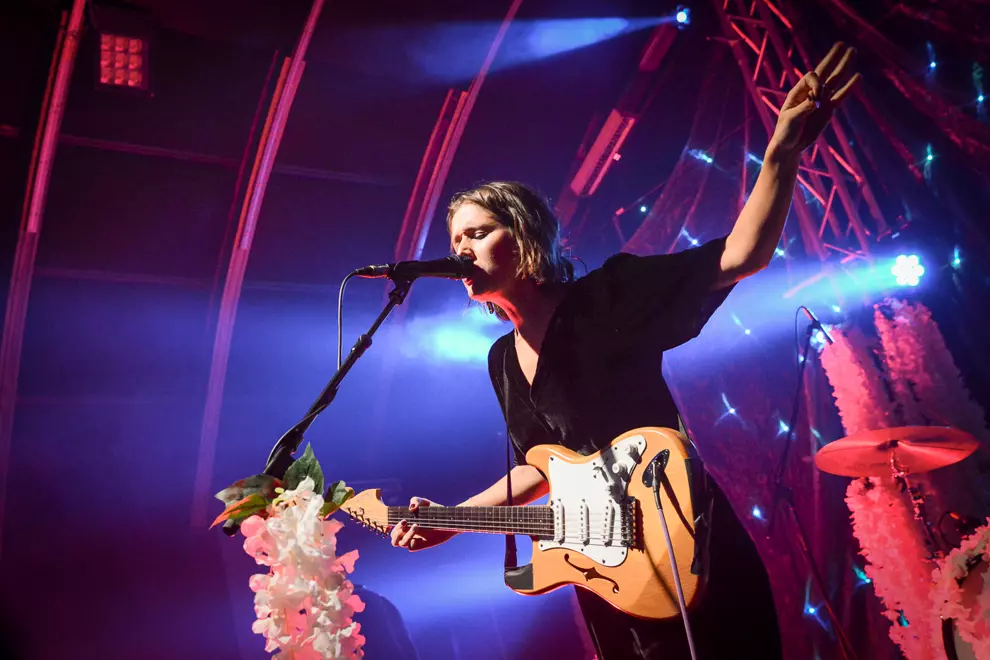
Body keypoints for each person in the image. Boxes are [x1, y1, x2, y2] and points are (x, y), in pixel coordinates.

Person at [390, 42, 860, 659]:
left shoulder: (607, 295)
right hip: (607, 574)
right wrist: (451, 517)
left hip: (681, 538)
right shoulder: (501, 361)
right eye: (456, 241)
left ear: (524, 236)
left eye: (478, 233)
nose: (462, 252)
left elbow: (740, 255)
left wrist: (781, 151)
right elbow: (540, 468)